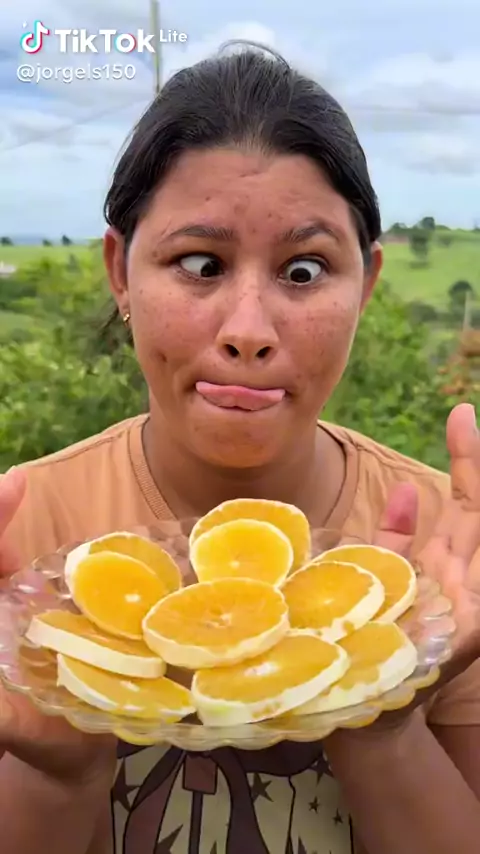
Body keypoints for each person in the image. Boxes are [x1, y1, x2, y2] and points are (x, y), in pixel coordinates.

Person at [1, 44, 480, 854]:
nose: (248, 331)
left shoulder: (445, 568)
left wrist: (383, 727)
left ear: (365, 284)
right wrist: (58, 775)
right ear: (120, 271)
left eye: (304, 270)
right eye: (200, 264)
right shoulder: (21, 554)